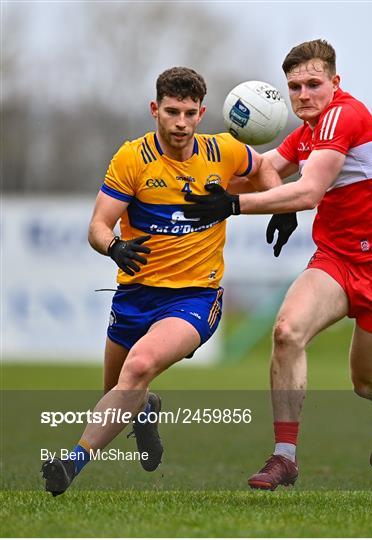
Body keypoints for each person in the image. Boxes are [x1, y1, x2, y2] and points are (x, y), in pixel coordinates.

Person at [184, 39, 372, 490]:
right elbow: (267, 166)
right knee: (286, 331)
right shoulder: (308, 130)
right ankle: (284, 457)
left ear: (336, 83)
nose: (303, 95)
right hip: (335, 259)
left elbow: (309, 191)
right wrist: (191, 183)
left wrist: (233, 205)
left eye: (313, 84)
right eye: (294, 86)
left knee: (369, 384)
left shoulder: (345, 115)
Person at [41, 66, 290, 496]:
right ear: (155, 110)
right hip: (134, 296)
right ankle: (145, 410)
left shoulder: (224, 151)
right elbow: (98, 226)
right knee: (120, 391)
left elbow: (263, 167)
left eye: (189, 113)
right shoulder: (131, 158)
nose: (180, 122)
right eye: (171, 111)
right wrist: (114, 247)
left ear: (202, 113)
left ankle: (70, 465)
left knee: (137, 369)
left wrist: (280, 208)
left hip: (195, 298)